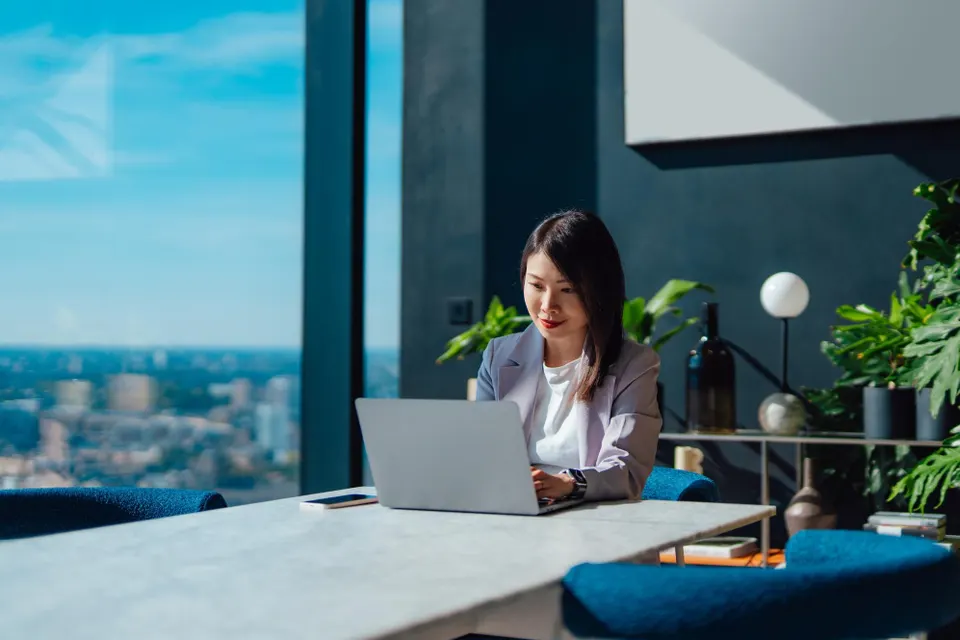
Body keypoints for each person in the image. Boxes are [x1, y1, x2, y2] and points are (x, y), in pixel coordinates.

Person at [475, 209, 662, 503]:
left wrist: (569, 484)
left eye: (568, 289)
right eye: (536, 285)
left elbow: (626, 469)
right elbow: (481, 454)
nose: (548, 305)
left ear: (598, 291)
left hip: (595, 526)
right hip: (514, 521)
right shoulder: (499, 356)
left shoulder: (634, 364)